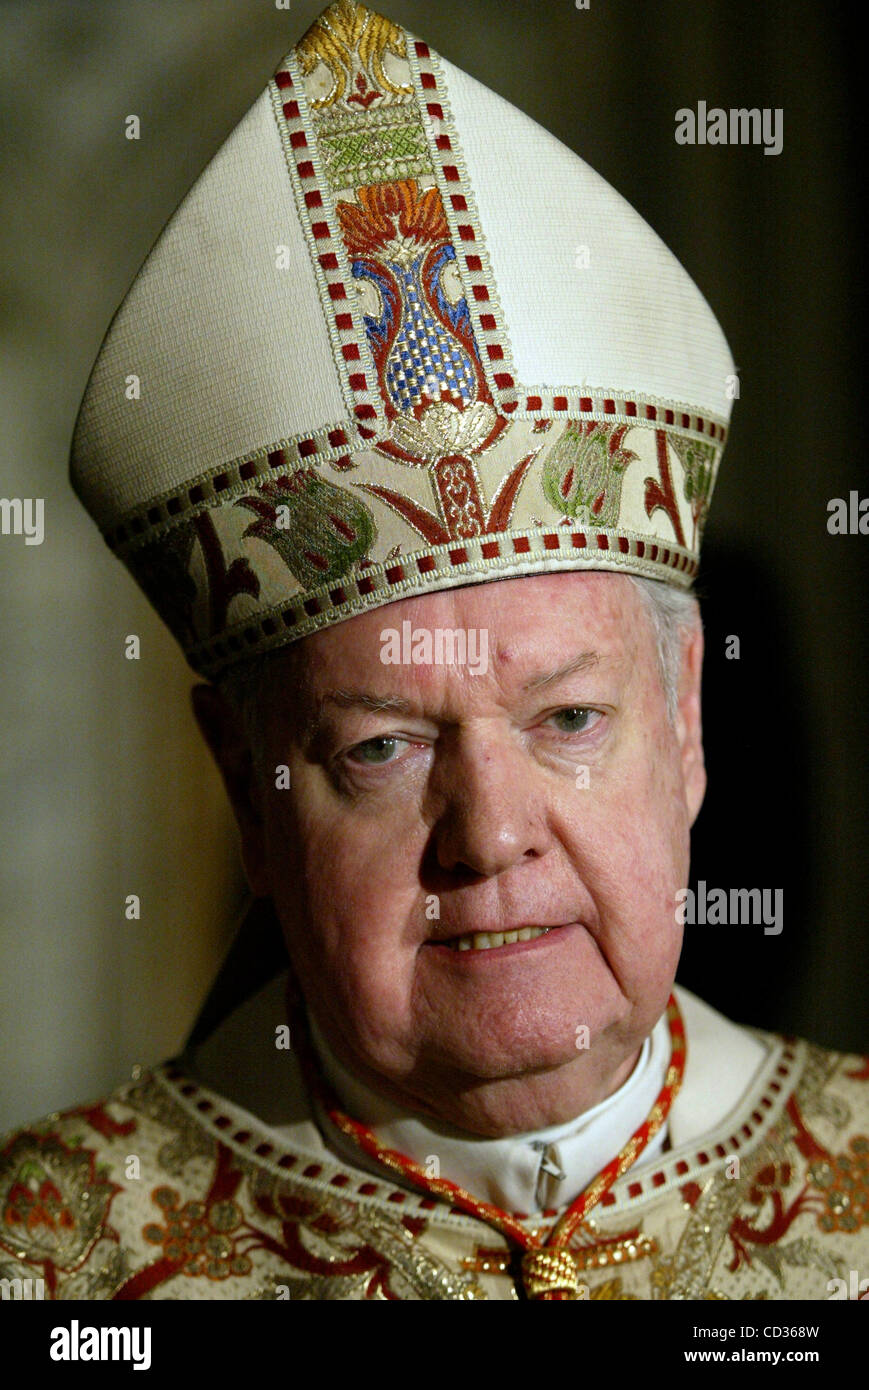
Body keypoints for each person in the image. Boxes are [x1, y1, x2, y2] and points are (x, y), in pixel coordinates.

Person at [1, 0, 866, 1302]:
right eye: (383, 746)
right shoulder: (51, 1262)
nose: (488, 834)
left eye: (567, 720)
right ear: (248, 782)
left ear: (684, 721)